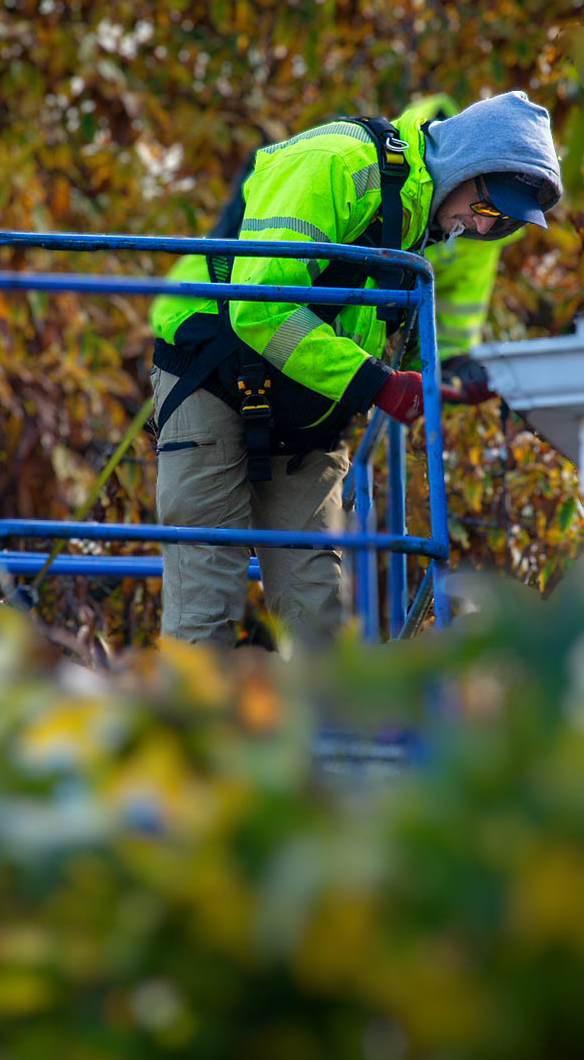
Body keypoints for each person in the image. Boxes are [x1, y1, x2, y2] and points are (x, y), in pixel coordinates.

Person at [147, 90, 563, 650]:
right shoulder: (340, 163)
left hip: (308, 405)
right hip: (212, 372)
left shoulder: (423, 222)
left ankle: (323, 736)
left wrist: (457, 379)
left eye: (502, 227)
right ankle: (189, 733)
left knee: (316, 613)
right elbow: (258, 307)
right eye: (488, 212)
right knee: (207, 594)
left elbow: (391, 342)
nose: (480, 230)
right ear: (466, 165)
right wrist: (378, 385)